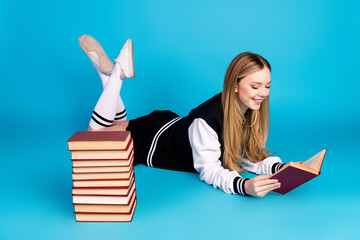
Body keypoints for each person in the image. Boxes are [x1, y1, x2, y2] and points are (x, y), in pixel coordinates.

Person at [79, 34, 286, 198]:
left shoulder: (247, 109)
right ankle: (116, 75)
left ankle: (107, 77)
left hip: (169, 125)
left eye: (267, 86)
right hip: (155, 140)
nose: (263, 93)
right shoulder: (208, 119)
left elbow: (243, 154)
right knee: (93, 138)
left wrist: (282, 169)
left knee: (114, 125)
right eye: (255, 86)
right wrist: (245, 186)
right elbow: (210, 171)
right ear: (234, 85)